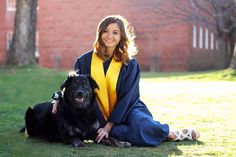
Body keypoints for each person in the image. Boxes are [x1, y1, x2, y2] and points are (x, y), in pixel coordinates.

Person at [52, 15, 200, 147]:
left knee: (140, 124)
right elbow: (74, 85)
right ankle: (152, 134)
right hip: (97, 113)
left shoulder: (129, 64)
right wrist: (57, 98)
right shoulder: (84, 61)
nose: (109, 36)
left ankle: (171, 133)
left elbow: (128, 97)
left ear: (122, 36)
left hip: (128, 109)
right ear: (99, 33)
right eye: (106, 31)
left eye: (115, 32)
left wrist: (109, 126)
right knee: (101, 131)